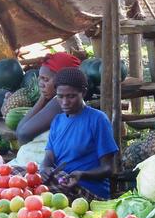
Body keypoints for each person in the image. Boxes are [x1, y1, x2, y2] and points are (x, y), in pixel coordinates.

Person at [41, 67, 118, 200]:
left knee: (38, 192)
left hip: (88, 189)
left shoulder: (97, 119)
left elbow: (109, 168)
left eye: (71, 96)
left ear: (83, 92)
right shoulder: (57, 121)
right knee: (18, 176)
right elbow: (49, 156)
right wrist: (44, 168)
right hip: (62, 182)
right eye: (60, 96)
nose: (65, 102)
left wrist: (82, 174)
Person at [11, 52, 82, 168]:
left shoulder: (60, 103)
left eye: (46, 79)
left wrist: (43, 98)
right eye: (40, 79)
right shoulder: (55, 101)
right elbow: (21, 131)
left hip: (40, 168)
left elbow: (23, 134)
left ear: (62, 81)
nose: (41, 84)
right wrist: (43, 98)